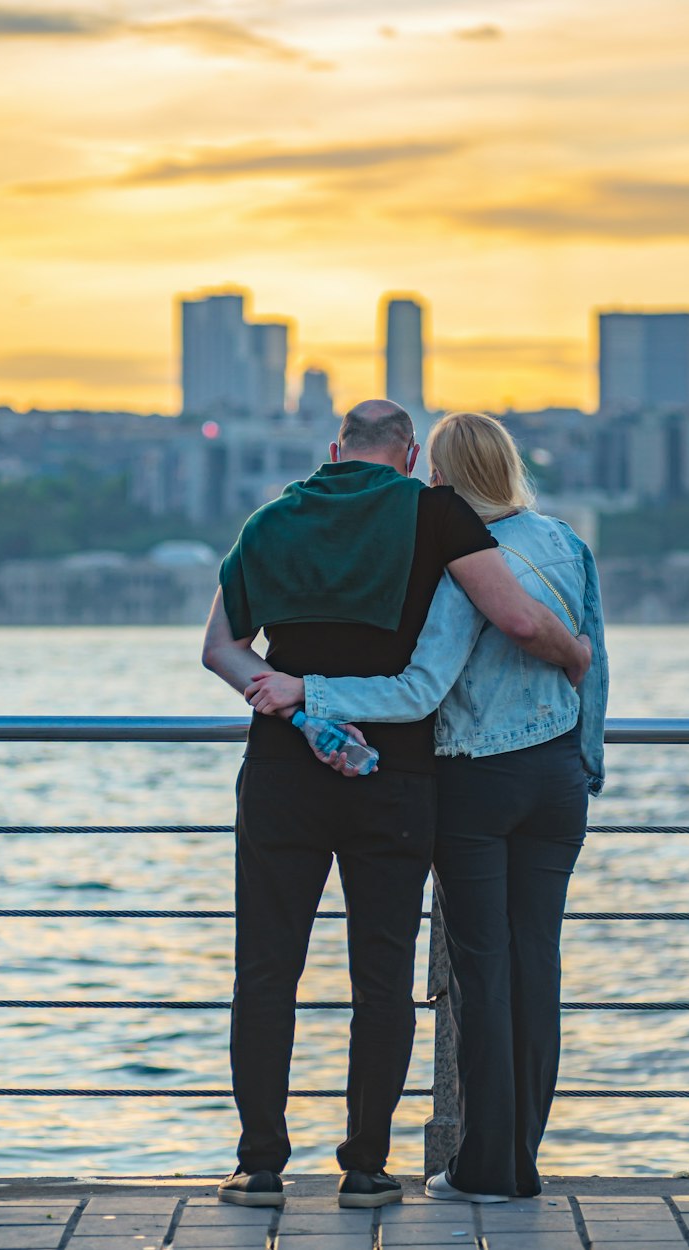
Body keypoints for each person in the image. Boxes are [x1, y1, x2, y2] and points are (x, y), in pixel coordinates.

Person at [201, 400, 591, 1210]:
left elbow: (221, 650)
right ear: (412, 456)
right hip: (397, 779)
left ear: (333, 449)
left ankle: (260, 1165)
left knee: (267, 969)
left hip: (281, 772)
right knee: (381, 978)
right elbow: (517, 617)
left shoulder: (268, 521)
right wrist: (578, 656)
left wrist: (302, 713)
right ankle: (366, 1168)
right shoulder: (437, 513)